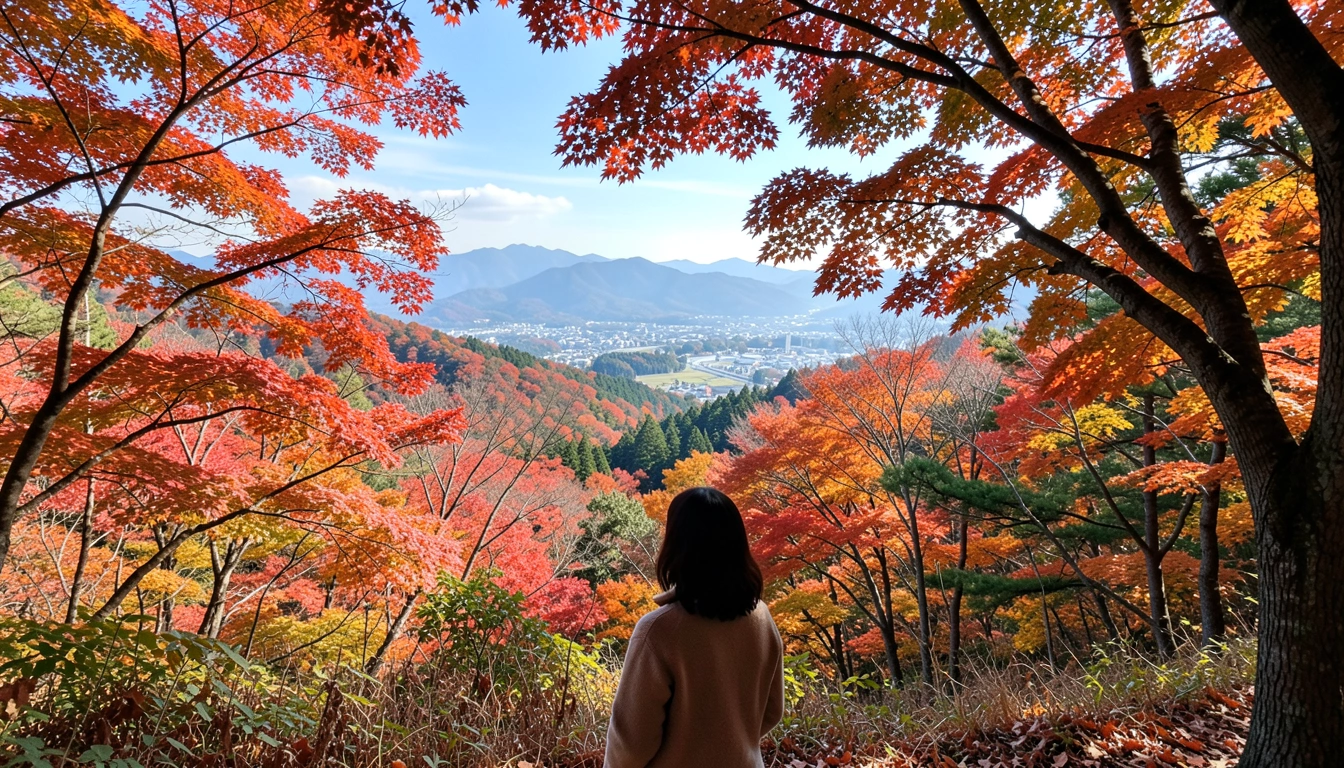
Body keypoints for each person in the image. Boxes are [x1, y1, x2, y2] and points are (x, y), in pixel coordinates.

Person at [604, 487, 785, 768]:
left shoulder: (659, 630)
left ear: (676, 545)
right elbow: (773, 711)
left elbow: (632, 745)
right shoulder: (761, 616)